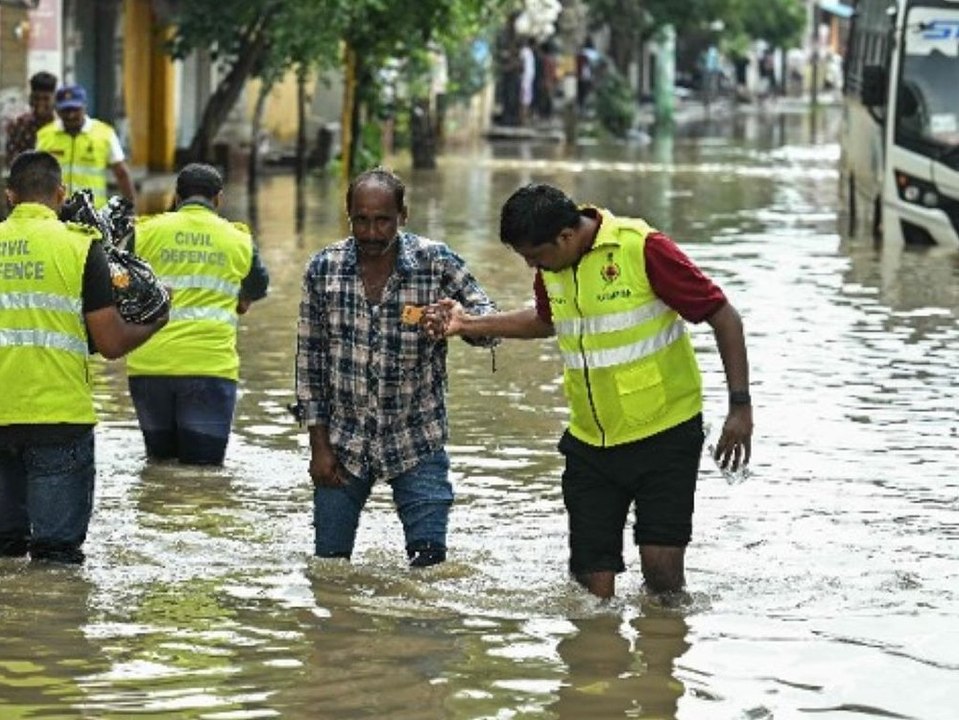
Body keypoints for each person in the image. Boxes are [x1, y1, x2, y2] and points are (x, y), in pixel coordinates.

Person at [427, 183, 753, 599]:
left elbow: (724, 316)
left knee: (664, 582)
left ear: (565, 237)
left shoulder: (643, 249)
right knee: (589, 592)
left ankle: (663, 660)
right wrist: (468, 324)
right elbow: (548, 321)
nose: (533, 266)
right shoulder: (553, 267)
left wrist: (739, 408)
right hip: (590, 444)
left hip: (665, 436)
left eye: (536, 256)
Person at [295, 166, 498, 568]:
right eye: (362, 221)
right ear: (349, 216)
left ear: (403, 216)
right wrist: (319, 447)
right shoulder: (324, 268)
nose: (371, 233)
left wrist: (460, 322)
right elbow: (310, 363)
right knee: (329, 569)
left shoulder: (435, 262)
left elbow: (490, 325)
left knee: (429, 567)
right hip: (343, 443)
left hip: (416, 439)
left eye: (383, 220)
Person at [0, 150, 168, 564]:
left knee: (4, 554)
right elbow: (110, 342)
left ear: (9, 196)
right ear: (61, 194)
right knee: (57, 564)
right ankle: (57, 628)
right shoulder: (81, 247)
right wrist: (156, 320)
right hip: (60, 419)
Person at [124, 163, 269, 465]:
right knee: (203, 475)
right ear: (218, 200)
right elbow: (257, 286)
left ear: (177, 198)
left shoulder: (144, 233)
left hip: (150, 369)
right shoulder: (239, 240)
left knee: (159, 467)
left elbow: (121, 287)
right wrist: (240, 299)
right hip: (210, 369)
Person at [36, 84, 135, 208]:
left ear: (84, 107)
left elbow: (121, 174)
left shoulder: (105, 133)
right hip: (55, 213)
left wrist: (130, 209)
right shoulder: (44, 135)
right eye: (66, 111)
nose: (71, 115)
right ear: (58, 111)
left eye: (75, 109)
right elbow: (36, 177)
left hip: (92, 214)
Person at [4, 71, 57, 167]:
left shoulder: (61, 125)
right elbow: (12, 162)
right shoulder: (19, 125)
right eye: (36, 98)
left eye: (46, 99)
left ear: (54, 99)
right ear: (30, 98)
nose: (40, 103)